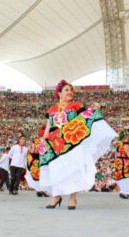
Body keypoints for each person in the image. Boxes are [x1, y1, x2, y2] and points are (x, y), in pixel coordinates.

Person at [28, 80, 116, 209]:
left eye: (71, 90)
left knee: (73, 169)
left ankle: (73, 198)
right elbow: (48, 127)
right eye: (66, 90)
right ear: (59, 93)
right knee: (56, 170)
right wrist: (41, 140)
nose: (70, 92)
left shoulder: (76, 105)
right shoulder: (51, 109)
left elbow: (85, 118)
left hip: (71, 143)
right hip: (55, 143)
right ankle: (56, 197)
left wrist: (94, 108)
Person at [111, 130, 129, 199]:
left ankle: (124, 192)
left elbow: (117, 153)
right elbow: (127, 152)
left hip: (118, 162)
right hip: (125, 162)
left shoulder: (119, 144)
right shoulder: (126, 143)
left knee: (122, 177)